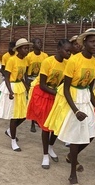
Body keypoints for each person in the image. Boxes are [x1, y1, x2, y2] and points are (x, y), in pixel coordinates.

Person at [44, 28, 95, 185]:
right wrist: (75, 110)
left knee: (90, 135)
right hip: (71, 99)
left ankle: (71, 156)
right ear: (84, 42)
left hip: (85, 99)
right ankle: (72, 174)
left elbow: (90, 89)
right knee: (75, 137)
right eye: (92, 41)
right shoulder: (74, 61)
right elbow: (65, 89)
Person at [26, 39, 71, 169]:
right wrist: (56, 93)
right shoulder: (48, 62)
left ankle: (51, 147)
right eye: (67, 51)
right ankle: (45, 155)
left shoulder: (67, 64)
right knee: (46, 126)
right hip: (44, 93)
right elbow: (43, 84)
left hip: (56, 94)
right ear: (58, 49)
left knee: (57, 125)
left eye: (70, 51)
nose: (69, 53)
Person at [0, 38, 31, 150]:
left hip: (20, 87)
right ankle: (13, 141)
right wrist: (10, 91)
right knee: (14, 115)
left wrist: (27, 87)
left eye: (27, 48)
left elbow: (22, 76)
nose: (27, 50)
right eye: (24, 48)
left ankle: (10, 131)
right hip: (12, 87)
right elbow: (7, 77)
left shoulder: (25, 60)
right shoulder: (12, 60)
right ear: (18, 49)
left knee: (24, 114)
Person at [25, 38, 49, 132]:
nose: (40, 44)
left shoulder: (45, 56)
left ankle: (38, 120)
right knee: (33, 101)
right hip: (31, 79)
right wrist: (26, 81)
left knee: (40, 102)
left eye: (41, 42)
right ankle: (32, 122)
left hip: (40, 80)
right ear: (33, 45)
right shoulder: (29, 56)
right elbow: (26, 71)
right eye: (38, 42)